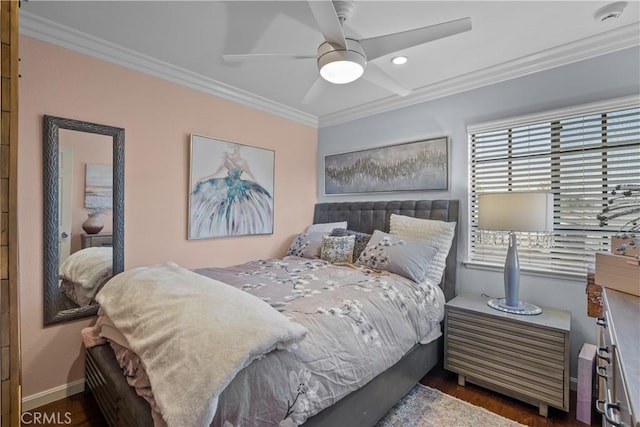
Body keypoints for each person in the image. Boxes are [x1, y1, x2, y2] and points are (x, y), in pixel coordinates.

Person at [190, 144, 272, 238]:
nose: (232, 150)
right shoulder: (227, 160)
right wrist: (204, 178)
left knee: (238, 209)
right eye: (231, 148)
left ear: (238, 149)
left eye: (234, 148)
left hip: (239, 187)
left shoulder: (242, 162)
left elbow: (250, 173)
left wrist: (259, 184)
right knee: (223, 207)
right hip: (226, 184)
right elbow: (217, 173)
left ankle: (235, 231)